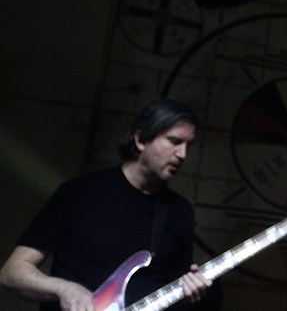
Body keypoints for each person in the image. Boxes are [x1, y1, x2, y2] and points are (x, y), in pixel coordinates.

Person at [0, 98, 216, 311]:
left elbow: (171, 292)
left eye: (188, 146)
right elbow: (12, 273)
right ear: (140, 140)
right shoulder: (80, 192)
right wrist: (64, 289)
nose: (182, 154)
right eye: (174, 141)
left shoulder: (179, 211)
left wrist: (189, 295)